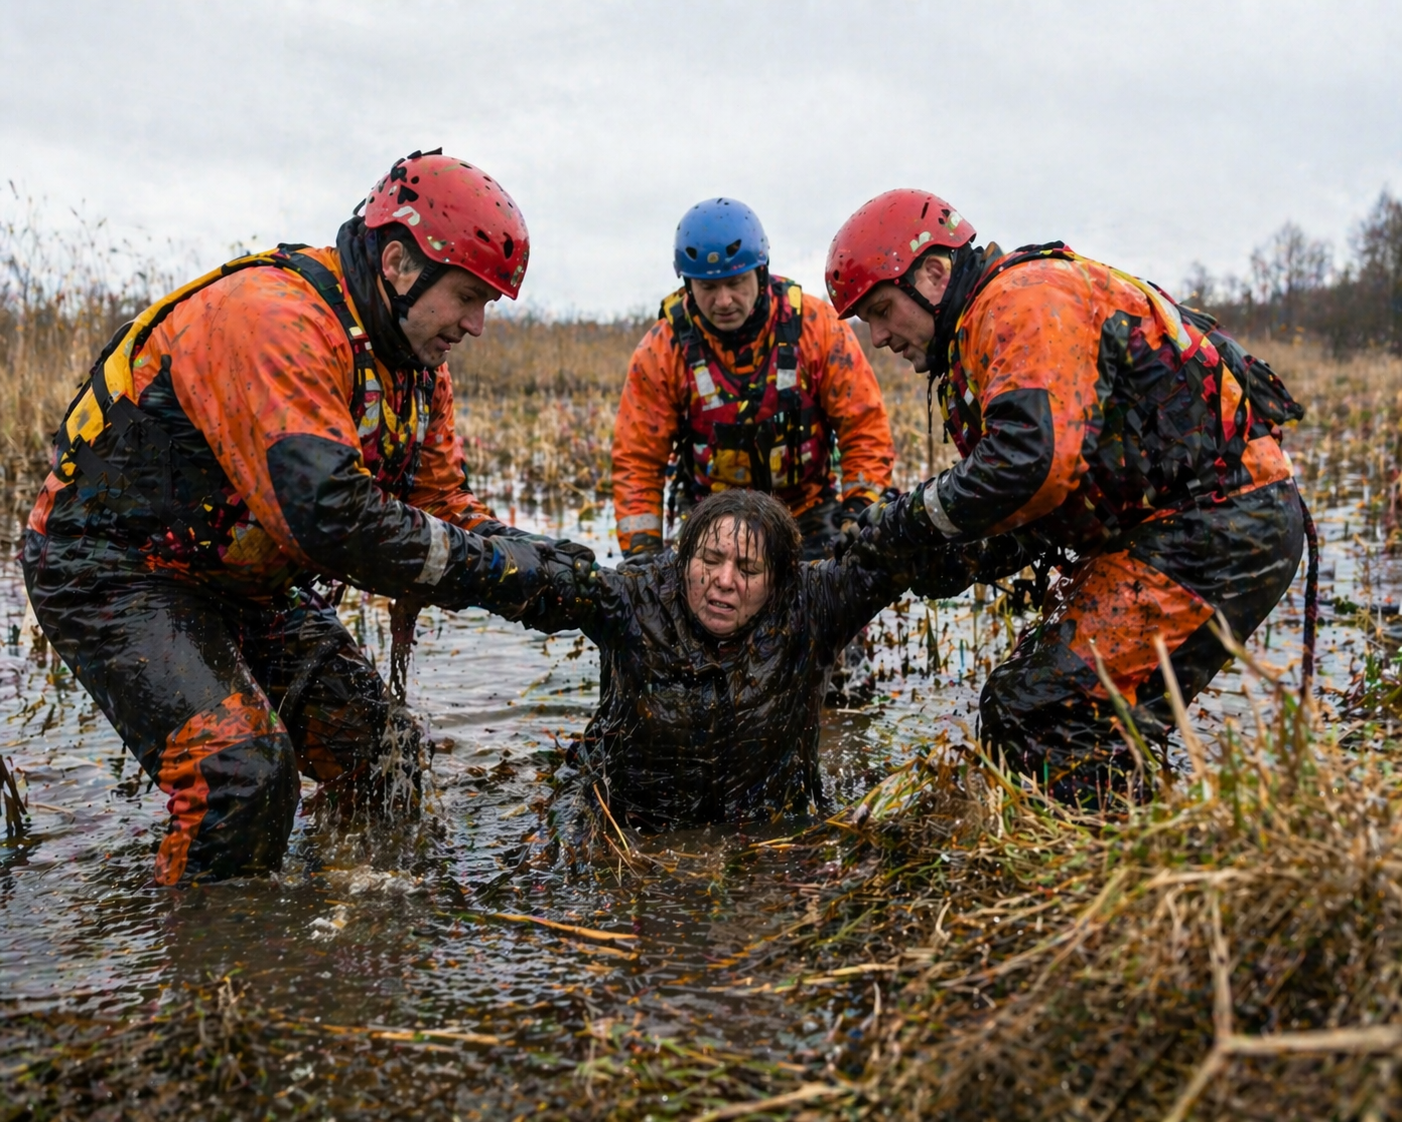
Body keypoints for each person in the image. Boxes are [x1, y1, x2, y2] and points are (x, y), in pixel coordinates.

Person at [22, 150, 593, 886]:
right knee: (241, 777)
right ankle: (206, 948)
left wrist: (556, 569)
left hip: (244, 580)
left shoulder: (419, 370)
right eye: (467, 297)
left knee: (383, 755)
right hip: (111, 567)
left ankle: (344, 912)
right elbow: (332, 517)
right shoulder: (275, 317)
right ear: (398, 263)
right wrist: (500, 574)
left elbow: (441, 506)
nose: (476, 325)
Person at [825, 190, 1307, 806]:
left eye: (882, 311)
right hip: (1175, 525)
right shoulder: (978, 335)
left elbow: (1029, 466)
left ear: (935, 275)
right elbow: (1045, 497)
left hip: (1223, 523)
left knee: (1040, 709)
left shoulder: (1021, 300)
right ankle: (1139, 824)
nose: (878, 337)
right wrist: (950, 556)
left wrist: (908, 521)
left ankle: (1115, 851)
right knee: (1049, 703)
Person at [459, 489, 972, 830]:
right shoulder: (633, 600)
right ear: (685, 561)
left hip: (771, 830)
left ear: (778, 580)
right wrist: (453, 560)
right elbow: (540, 576)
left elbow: (905, 556)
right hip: (632, 827)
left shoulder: (813, 603)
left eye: (747, 569)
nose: (724, 581)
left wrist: (894, 525)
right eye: (709, 560)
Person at [611, 198, 896, 562]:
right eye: (708, 287)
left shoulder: (817, 327)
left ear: (761, 273)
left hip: (808, 515)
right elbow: (638, 460)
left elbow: (864, 429)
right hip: (707, 522)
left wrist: (858, 513)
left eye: (735, 283)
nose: (723, 301)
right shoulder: (662, 348)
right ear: (687, 284)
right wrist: (642, 553)